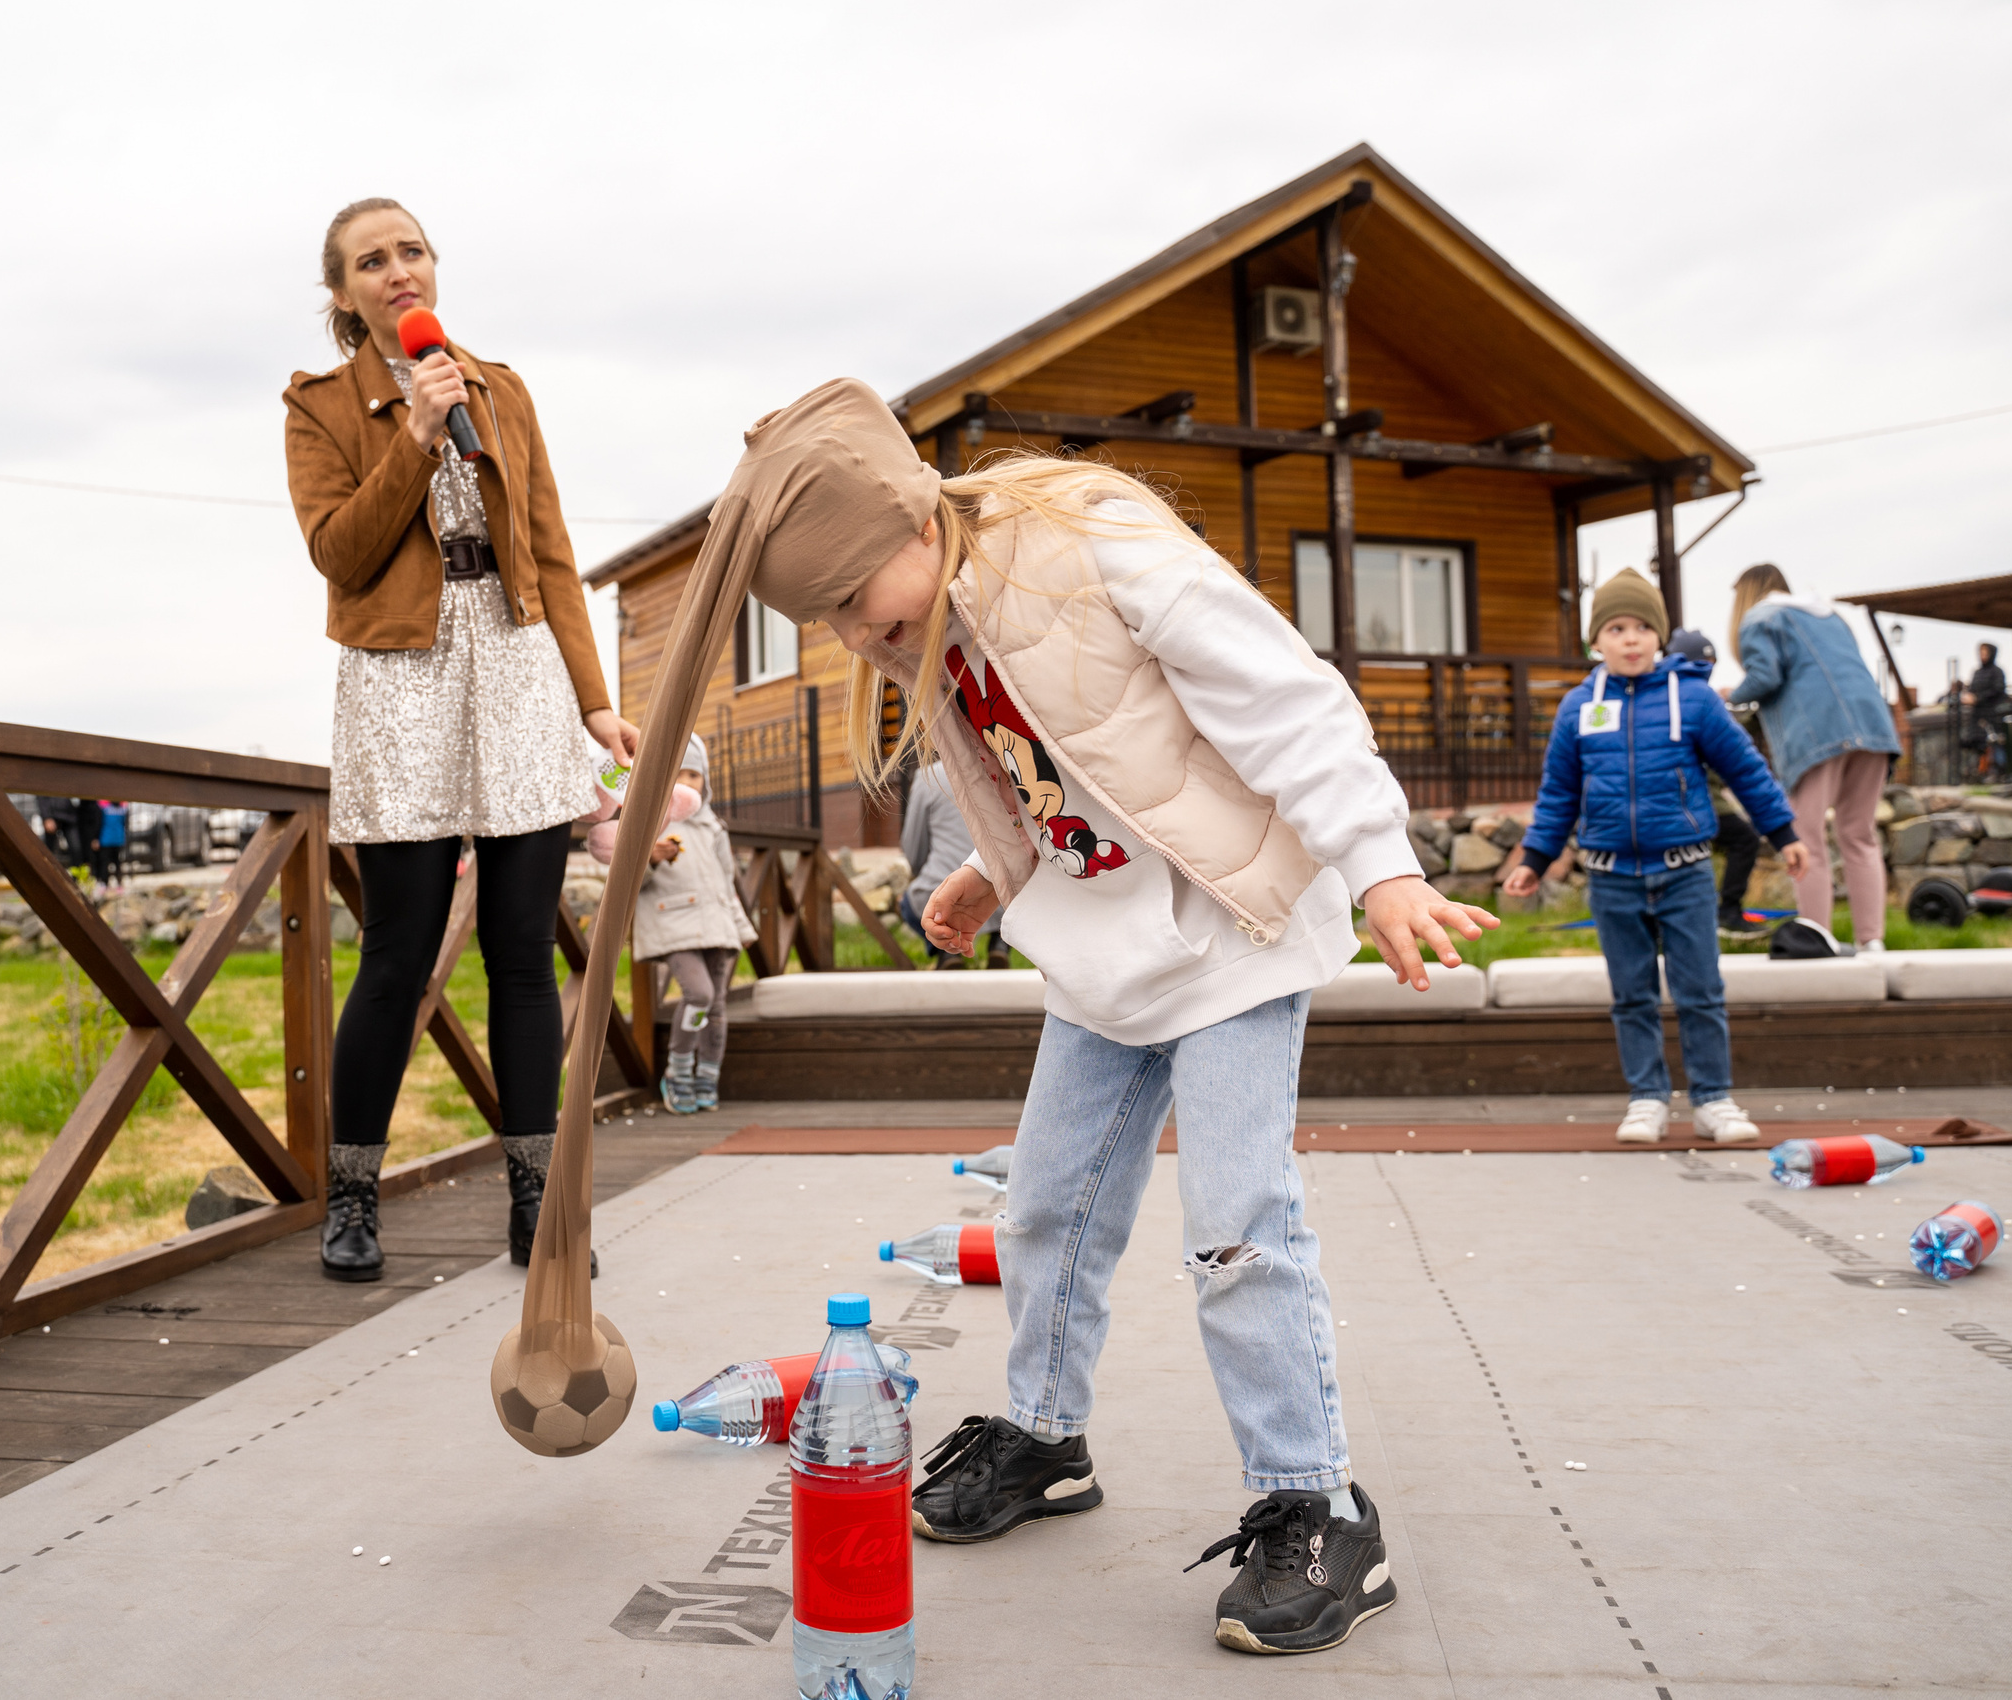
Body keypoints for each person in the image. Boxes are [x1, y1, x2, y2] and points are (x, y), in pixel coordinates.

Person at [716, 378, 1495, 1657]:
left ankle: (1315, 1502)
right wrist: (996, 868)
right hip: (1103, 959)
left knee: (1237, 1225)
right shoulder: (934, 630)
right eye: (827, 623)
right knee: (1043, 1206)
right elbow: (1046, 773)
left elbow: (1287, 705)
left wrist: (1381, 863)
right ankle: (1044, 1434)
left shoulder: (1095, 553)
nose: (856, 637)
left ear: (917, 524)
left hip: (1232, 933)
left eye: (856, 603)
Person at [285, 198, 638, 1282]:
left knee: (522, 952)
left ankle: (537, 1207)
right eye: (370, 261)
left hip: (518, 660)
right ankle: (351, 1201)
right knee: (396, 954)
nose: (398, 271)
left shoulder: (504, 387)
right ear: (342, 295)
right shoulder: (321, 406)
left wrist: (593, 698)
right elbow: (339, 555)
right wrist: (416, 432)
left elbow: (553, 548)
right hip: (401, 677)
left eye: (411, 251)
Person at [1505, 572, 1806, 1144]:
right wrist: (1535, 858)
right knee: (1632, 994)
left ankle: (1714, 1098)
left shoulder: (1692, 699)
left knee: (1700, 990)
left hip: (1684, 871)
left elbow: (1745, 769)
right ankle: (1647, 1098)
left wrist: (1784, 832)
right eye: (1617, 628)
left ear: (1660, 636)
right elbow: (1559, 794)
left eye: (1644, 627)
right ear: (1597, 641)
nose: (1632, 639)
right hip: (1611, 877)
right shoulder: (1578, 708)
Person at [1727, 564, 1905, 951]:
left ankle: (1814, 939)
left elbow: (1766, 676)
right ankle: (1872, 943)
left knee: (1804, 839)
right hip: (1873, 725)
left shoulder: (1760, 617)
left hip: (1817, 733)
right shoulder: (1829, 614)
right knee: (1859, 835)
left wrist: (1728, 697)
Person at [586, 735, 754, 1114]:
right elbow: (627, 879)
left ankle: (707, 1074)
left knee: (717, 1006)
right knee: (699, 994)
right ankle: (678, 1071)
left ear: (705, 782)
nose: (687, 782)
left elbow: (727, 884)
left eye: (694, 775)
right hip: (675, 925)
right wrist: (652, 858)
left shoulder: (714, 828)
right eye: (679, 774)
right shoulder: (650, 822)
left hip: (717, 927)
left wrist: (741, 929)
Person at [1667, 629, 1768, 937]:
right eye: (1703, 661)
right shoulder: (1692, 699)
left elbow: (1728, 739)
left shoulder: (1697, 699)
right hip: (1694, 800)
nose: (1708, 668)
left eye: (1712, 661)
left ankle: (1709, 914)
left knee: (1733, 843)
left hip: (1700, 798)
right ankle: (1726, 912)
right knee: (1744, 840)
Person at [898, 761, 1005, 968]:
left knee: (909, 904)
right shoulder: (1002, 767)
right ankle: (999, 945)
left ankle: (947, 953)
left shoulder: (929, 777)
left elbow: (913, 849)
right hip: (1001, 890)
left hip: (945, 891)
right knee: (1001, 890)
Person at [1967, 641, 2011, 774]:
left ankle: (1999, 770)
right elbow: (1972, 688)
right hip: (1978, 715)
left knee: (1996, 742)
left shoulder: (1997, 672)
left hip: (1993, 713)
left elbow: (1998, 690)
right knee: (1979, 745)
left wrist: (1978, 698)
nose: (1983, 656)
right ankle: (1980, 771)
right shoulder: (1977, 672)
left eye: (1985, 653)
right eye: (1981, 653)